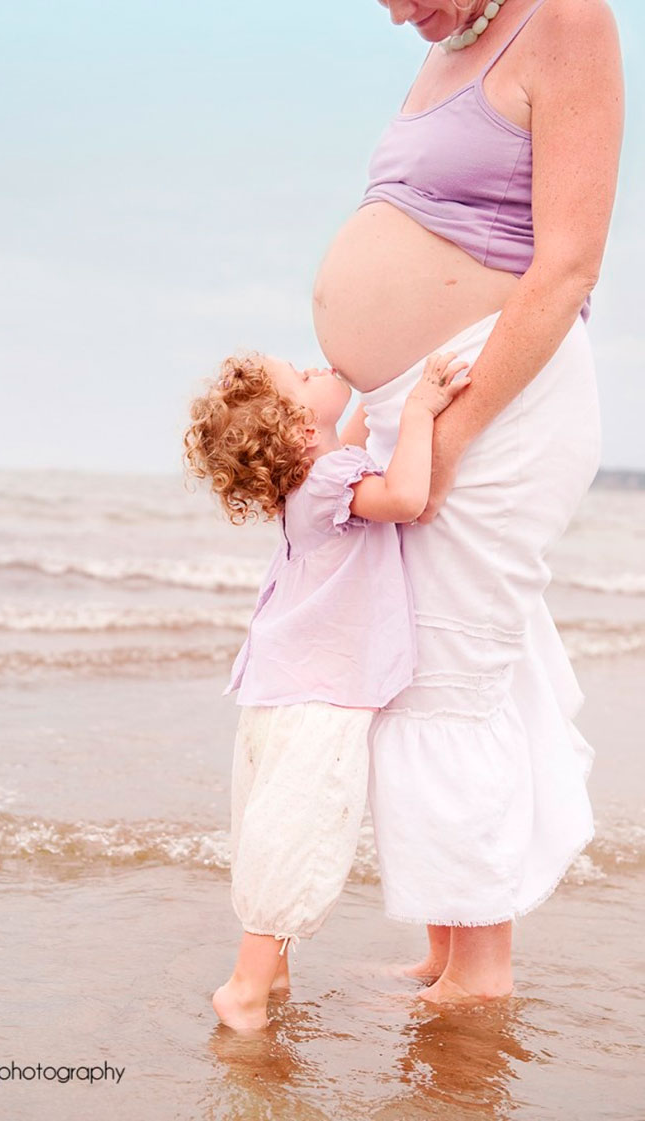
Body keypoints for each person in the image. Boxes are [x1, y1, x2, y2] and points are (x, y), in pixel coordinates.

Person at [311, 0, 624, 1002]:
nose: (395, 12)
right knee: (428, 664)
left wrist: (445, 430)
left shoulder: (566, 21)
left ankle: (479, 972)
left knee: (449, 674)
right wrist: (367, 404)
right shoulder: (444, 50)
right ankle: (450, 942)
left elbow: (567, 260)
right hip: (424, 404)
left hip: (497, 399)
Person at [183, 349, 470, 1031]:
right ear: (299, 430)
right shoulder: (332, 472)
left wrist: (369, 402)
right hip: (325, 690)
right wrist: (423, 408)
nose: (317, 366)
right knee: (300, 829)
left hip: (281, 685)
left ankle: (274, 972)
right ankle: (246, 987)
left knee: (269, 817)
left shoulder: (306, 479)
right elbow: (406, 499)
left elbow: (351, 439)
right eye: (303, 377)